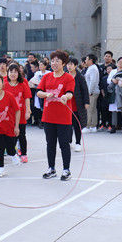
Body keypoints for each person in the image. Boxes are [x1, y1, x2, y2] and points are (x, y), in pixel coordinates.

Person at [37, 49, 75, 181]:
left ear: (63, 63)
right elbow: (38, 92)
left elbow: (70, 93)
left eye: (57, 61)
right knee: (50, 144)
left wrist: (65, 96)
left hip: (63, 117)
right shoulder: (46, 77)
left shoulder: (68, 78)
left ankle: (66, 170)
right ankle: (51, 168)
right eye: (52, 61)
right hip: (48, 116)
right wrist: (46, 94)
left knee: (64, 144)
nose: (54, 63)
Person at [0, 73, 21, 178]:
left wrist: (16, 126)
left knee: (10, 147)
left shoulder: (9, 96)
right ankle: (0, 168)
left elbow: (17, 110)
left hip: (9, 127)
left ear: (3, 84)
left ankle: (13, 154)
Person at [4, 63, 32, 162]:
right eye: (11, 72)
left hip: (20, 114)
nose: (13, 74)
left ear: (19, 73)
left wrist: (28, 111)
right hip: (8, 115)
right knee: (8, 135)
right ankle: (10, 153)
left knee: (21, 134)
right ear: (7, 73)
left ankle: (24, 154)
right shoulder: (4, 85)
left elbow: (27, 98)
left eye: (15, 72)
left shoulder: (23, 84)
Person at [66, 57, 89, 152]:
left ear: (75, 66)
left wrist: (86, 102)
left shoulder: (80, 77)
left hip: (77, 104)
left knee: (77, 125)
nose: (69, 66)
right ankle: (69, 141)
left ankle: (78, 143)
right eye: (68, 64)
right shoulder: (65, 76)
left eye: (71, 64)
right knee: (68, 125)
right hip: (67, 105)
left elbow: (85, 90)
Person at [83, 53, 100, 131]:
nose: (85, 60)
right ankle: (93, 126)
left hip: (92, 92)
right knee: (93, 109)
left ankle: (87, 126)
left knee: (89, 109)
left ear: (91, 60)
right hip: (93, 91)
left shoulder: (93, 68)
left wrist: (89, 92)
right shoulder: (91, 68)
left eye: (86, 59)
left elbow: (93, 81)